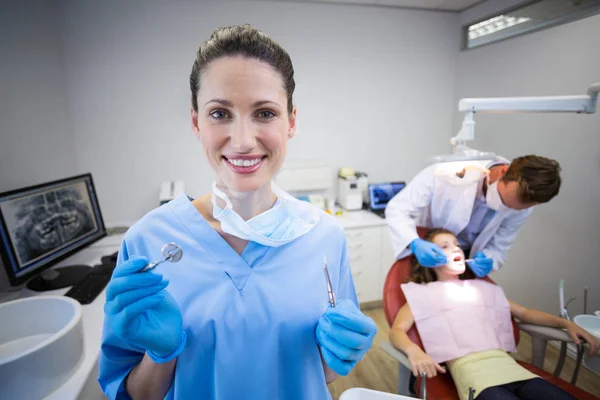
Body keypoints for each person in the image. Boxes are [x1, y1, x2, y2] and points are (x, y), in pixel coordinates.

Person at [97, 25, 377, 400]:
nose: (243, 140)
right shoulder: (149, 241)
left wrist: (341, 353)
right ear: (196, 121)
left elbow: (320, 374)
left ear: (291, 121)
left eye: (264, 112)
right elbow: (135, 394)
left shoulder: (324, 237)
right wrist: (161, 353)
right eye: (219, 113)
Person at [389, 228, 600, 400]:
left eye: (457, 244)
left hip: (511, 368)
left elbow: (525, 313)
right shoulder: (423, 294)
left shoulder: (484, 289)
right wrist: (413, 350)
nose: (456, 249)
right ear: (429, 258)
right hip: (475, 376)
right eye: (444, 246)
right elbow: (397, 330)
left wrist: (565, 322)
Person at [385, 155, 562, 278]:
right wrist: (414, 243)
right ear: (503, 172)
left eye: (511, 208)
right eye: (503, 199)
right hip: (426, 247)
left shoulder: (522, 206)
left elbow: (499, 247)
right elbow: (397, 209)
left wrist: (489, 259)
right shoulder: (448, 173)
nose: (503, 207)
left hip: (468, 259)